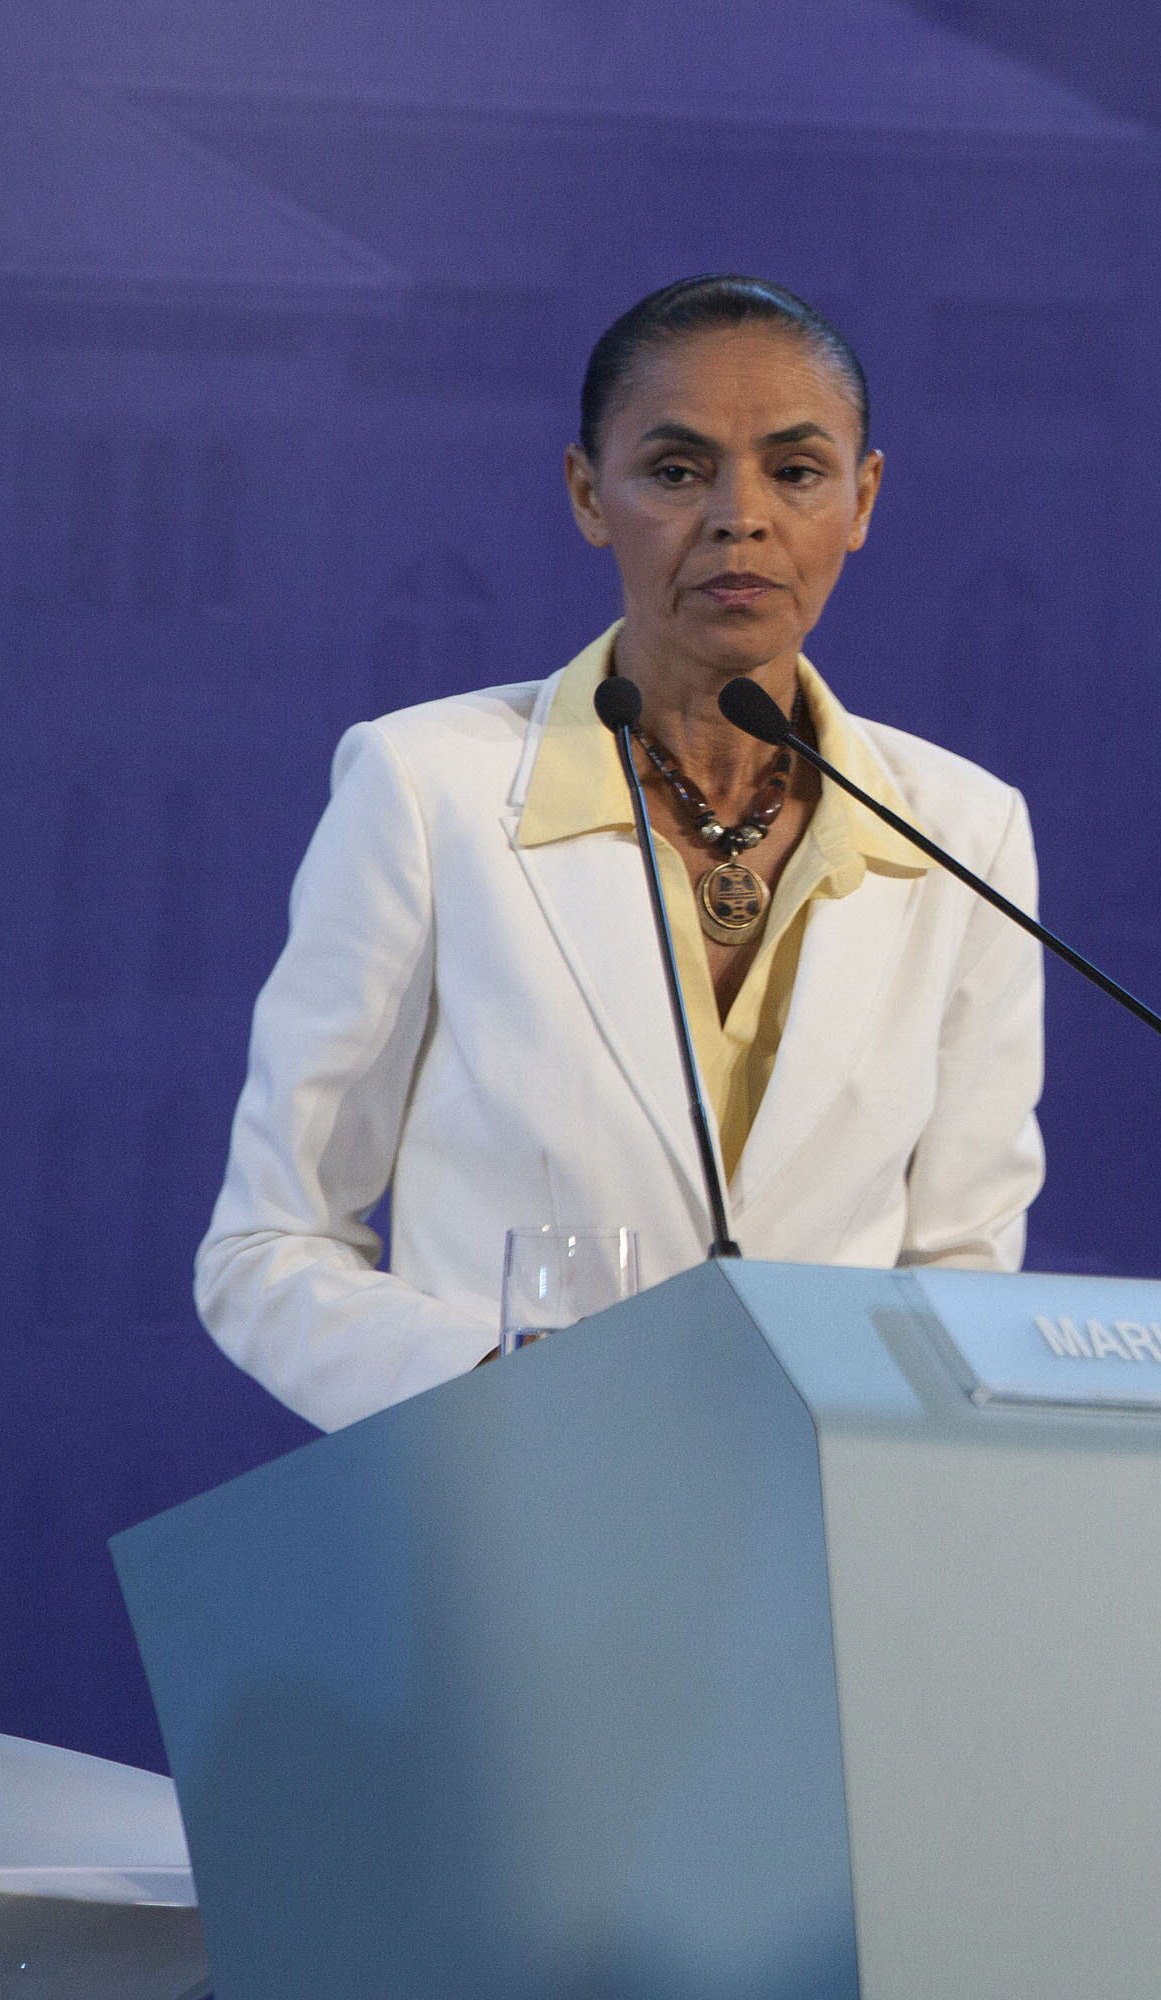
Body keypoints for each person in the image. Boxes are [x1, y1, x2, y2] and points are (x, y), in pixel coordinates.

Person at [199, 274, 1044, 1432]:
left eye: (796, 472)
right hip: (511, 1526)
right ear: (589, 493)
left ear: (863, 498)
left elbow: (961, 1266)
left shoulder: (963, 830)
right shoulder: (427, 788)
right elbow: (267, 1245)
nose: (739, 517)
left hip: (825, 1548)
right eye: (678, 469)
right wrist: (511, 1392)